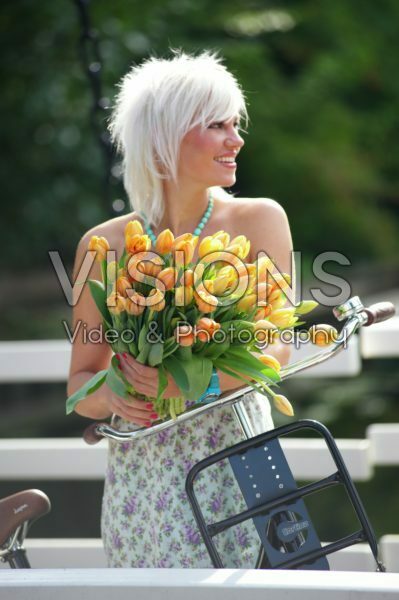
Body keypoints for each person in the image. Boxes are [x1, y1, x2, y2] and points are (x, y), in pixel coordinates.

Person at [67, 50, 295, 568]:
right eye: (217, 125)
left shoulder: (259, 219)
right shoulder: (102, 245)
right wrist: (117, 394)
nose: (236, 140)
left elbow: (275, 349)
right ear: (165, 136)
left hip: (236, 460)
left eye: (234, 124)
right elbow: (80, 387)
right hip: (141, 478)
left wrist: (191, 385)